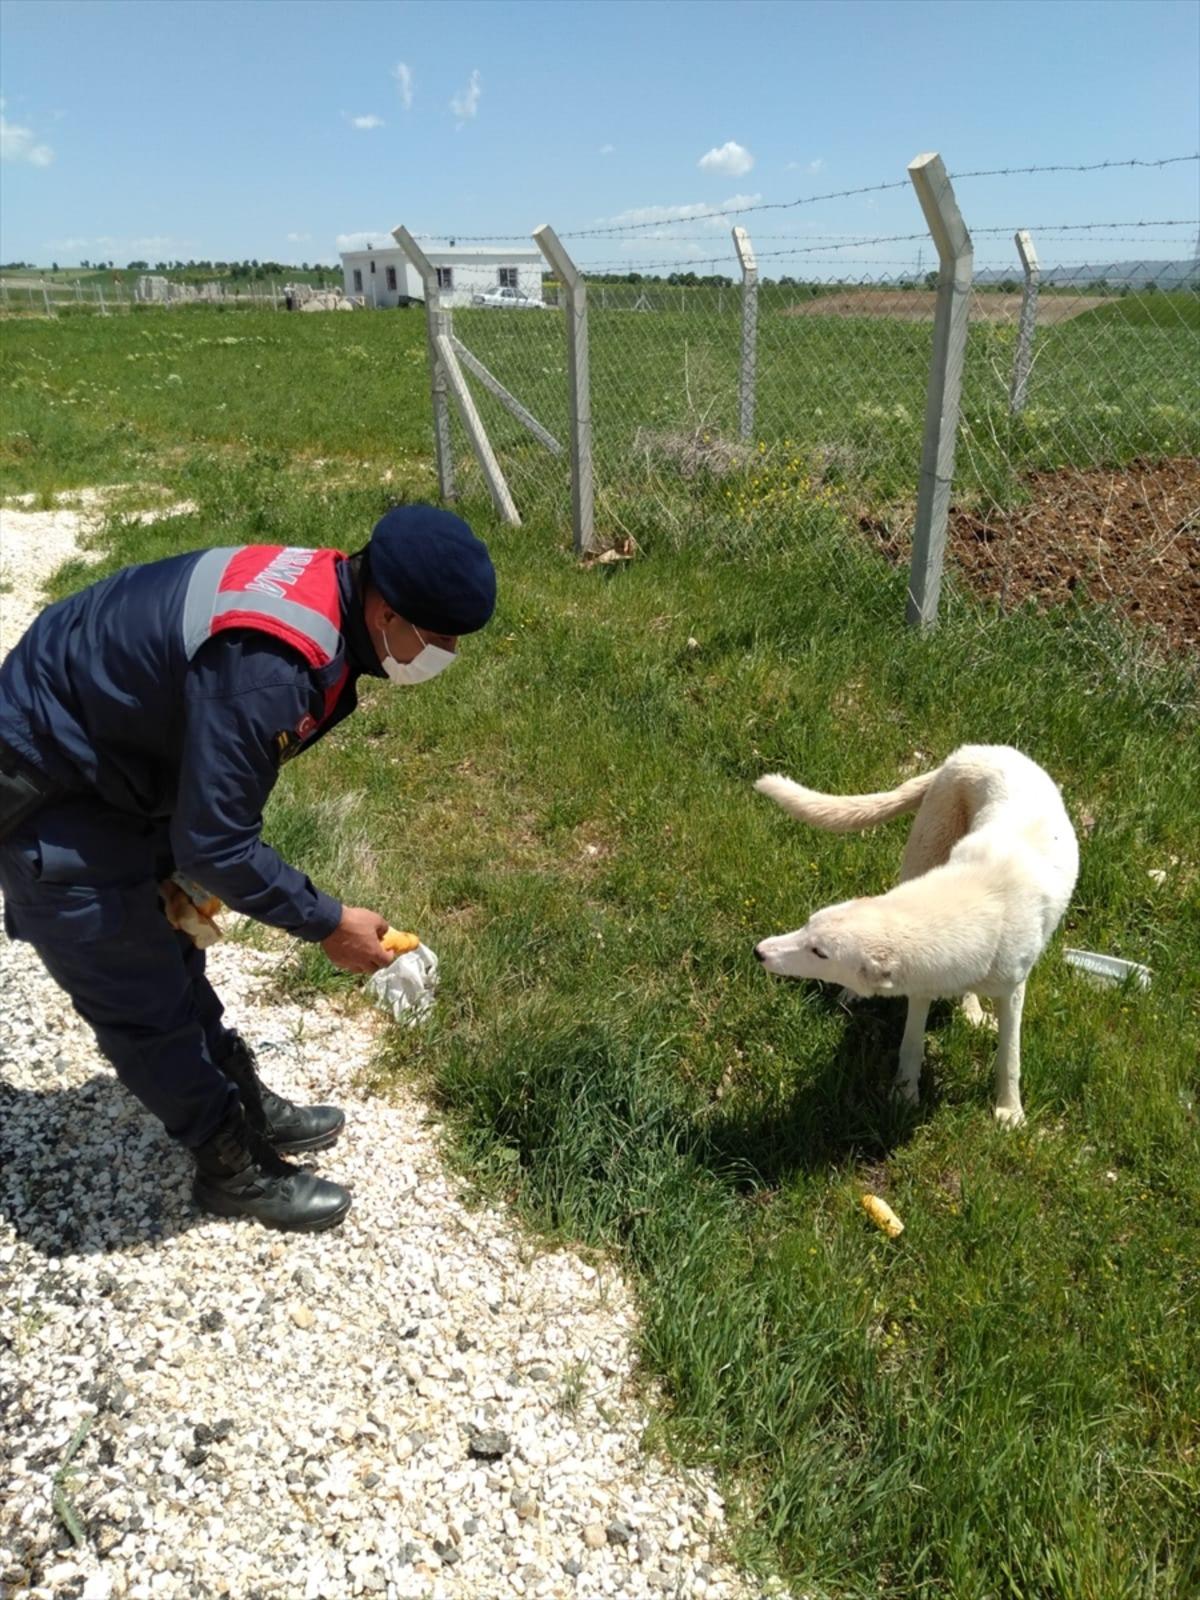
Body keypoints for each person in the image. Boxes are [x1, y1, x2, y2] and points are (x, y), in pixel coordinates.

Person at [0, 505, 496, 1234]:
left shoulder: (332, 596)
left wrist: (187, 864)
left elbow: (206, 809)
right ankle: (230, 1165)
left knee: (176, 942)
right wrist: (329, 924)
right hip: (51, 779)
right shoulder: (273, 667)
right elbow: (217, 843)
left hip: (116, 750)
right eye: (440, 637)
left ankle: (242, 1101)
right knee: (137, 986)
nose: (445, 653)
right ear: (387, 612)